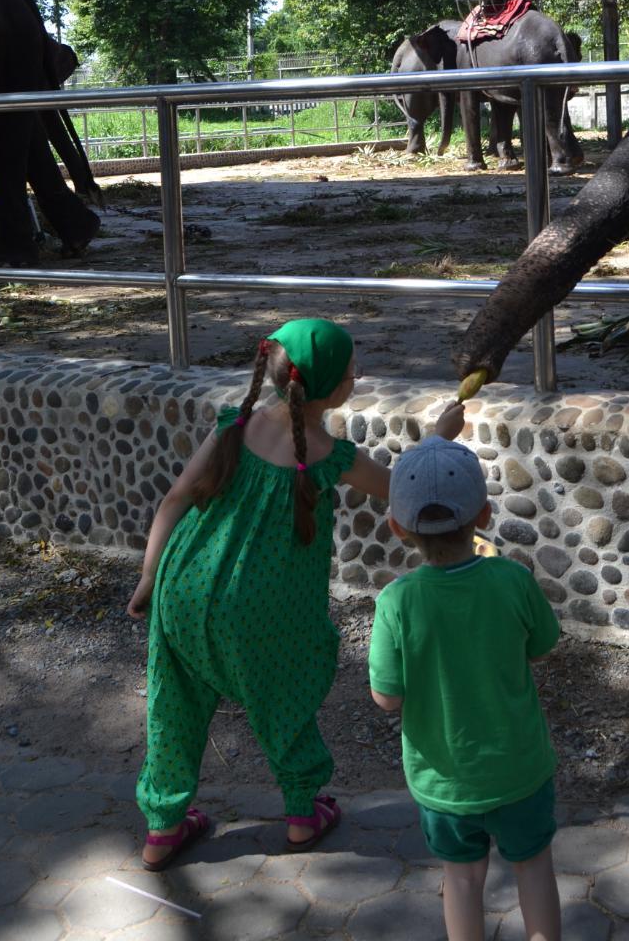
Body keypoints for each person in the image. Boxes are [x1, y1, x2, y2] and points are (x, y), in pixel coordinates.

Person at [127, 316, 463, 871]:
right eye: (354, 368)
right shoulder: (332, 457)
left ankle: (162, 826)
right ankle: (304, 811)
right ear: (332, 387)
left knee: (174, 707)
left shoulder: (233, 425)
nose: (359, 374)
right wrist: (438, 439)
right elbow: (405, 488)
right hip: (261, 607)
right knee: (283, 697)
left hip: (180, 586)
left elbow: (175, 499)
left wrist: (148, 575)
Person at [369, 437, 561, 941]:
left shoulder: (396, 601)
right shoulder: (513, 579)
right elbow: (543, 646)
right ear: (484, 515)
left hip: (444, 783)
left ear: (397, 527)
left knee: (462, 878)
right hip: (520, 769)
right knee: (533, 866)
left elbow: (386, 698)